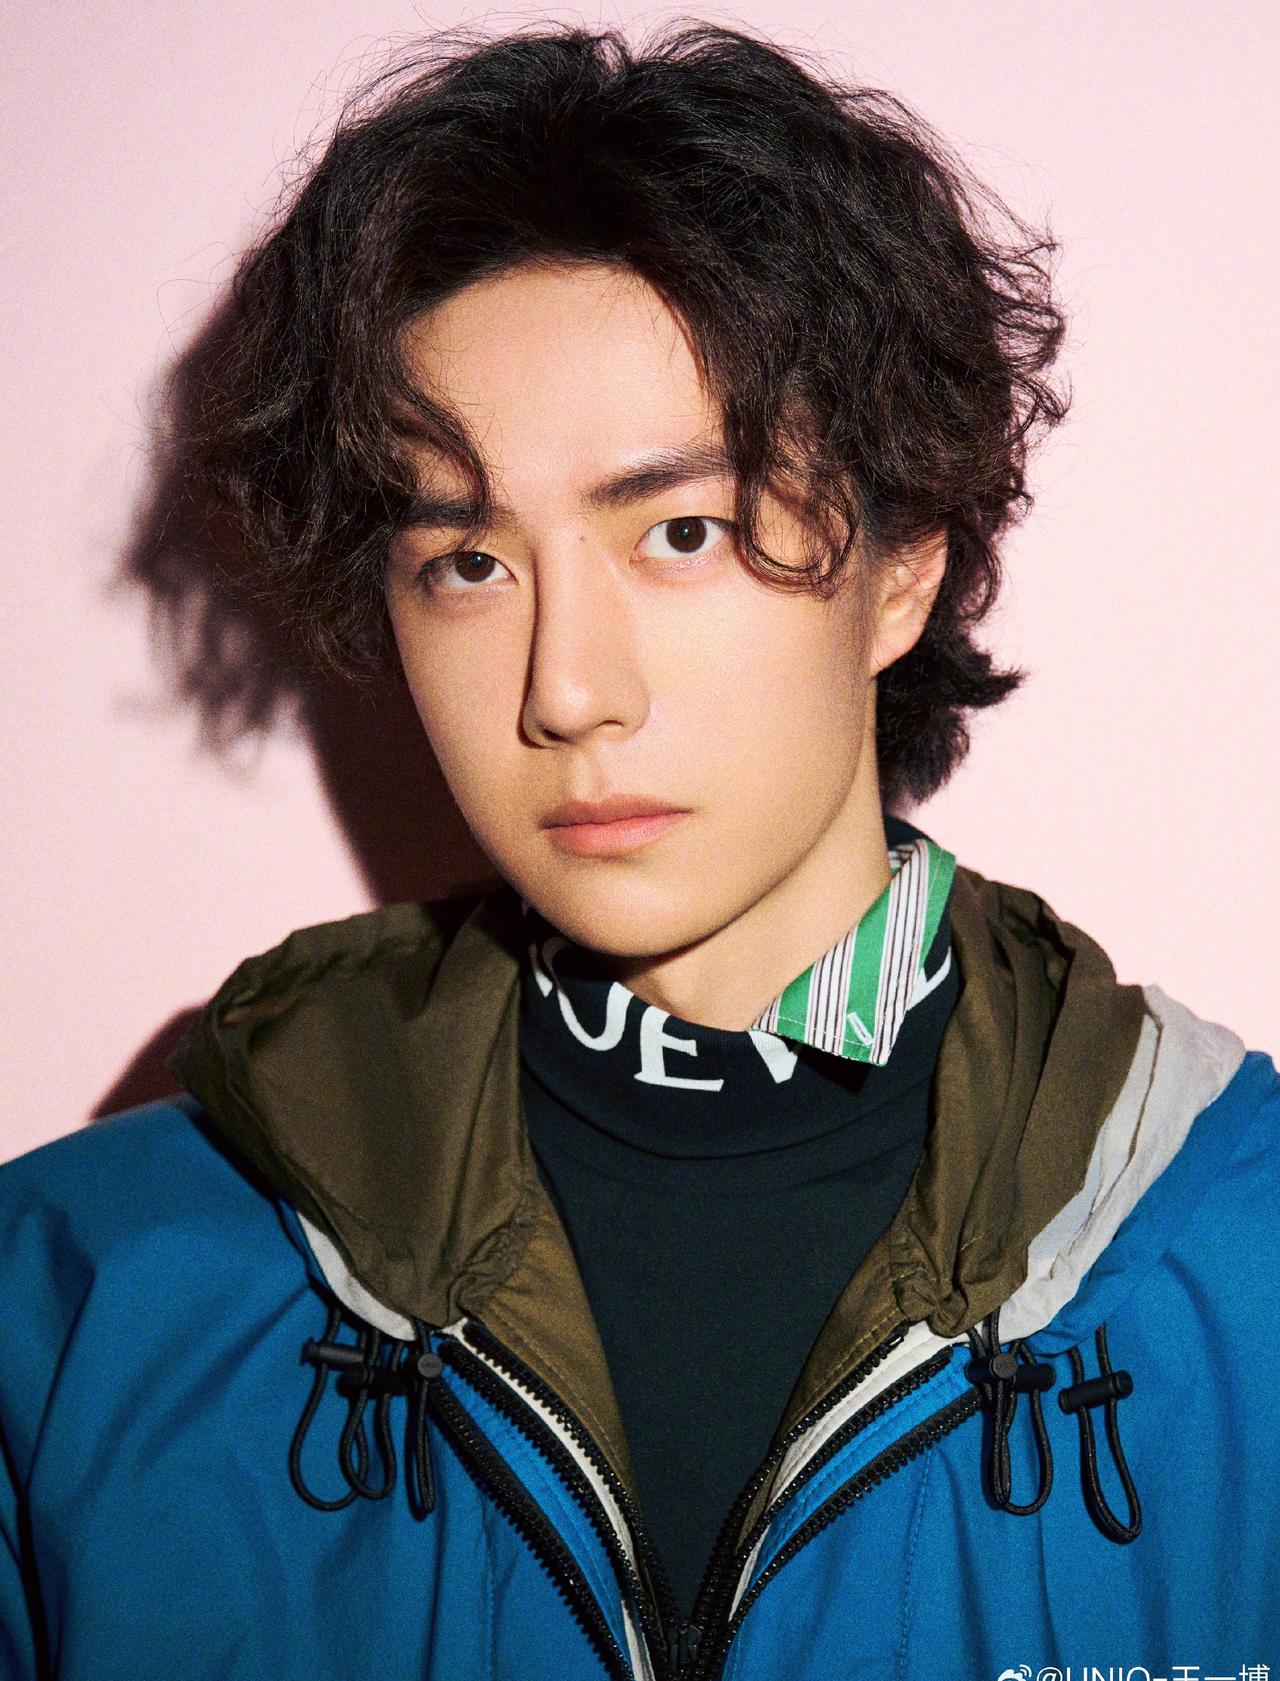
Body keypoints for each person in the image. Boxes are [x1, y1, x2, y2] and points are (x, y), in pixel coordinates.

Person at [2, 19, 1277, 1681]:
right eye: (468, 563)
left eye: (681, 531)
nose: (565, 689)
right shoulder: (77, 1302)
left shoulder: (1244, 1259)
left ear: (903, 562)